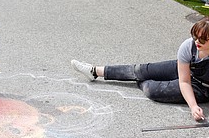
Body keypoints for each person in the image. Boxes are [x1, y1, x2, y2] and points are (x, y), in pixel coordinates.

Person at [72, 17, 209, 122]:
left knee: (152, 90)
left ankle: (140, 82)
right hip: (187, 71)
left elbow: (185, 84)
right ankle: (94, 71)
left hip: (202, 87)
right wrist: (192, 106)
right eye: (195, 37)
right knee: (142, 70)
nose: (197, 42)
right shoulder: (188, 46)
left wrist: (194, 107)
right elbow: (184, 81)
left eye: (202, 40)